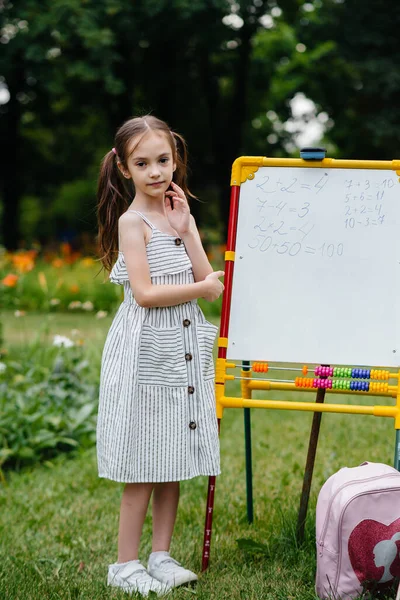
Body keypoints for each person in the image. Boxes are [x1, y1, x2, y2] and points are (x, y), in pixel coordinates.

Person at [96, 115, 225, 596]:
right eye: (143, 163)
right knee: (143, 464)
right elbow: (147, 294)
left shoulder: (174, 216)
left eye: (164, 160)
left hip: (183, 355)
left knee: (172, 460)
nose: (156, 171)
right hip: (148, 353)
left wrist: (186, 228)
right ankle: (124, 563)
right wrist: (202, 289)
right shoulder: (133, 223)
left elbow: (205, 273)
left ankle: (161, 555)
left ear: (176, 160)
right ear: (125, 169)